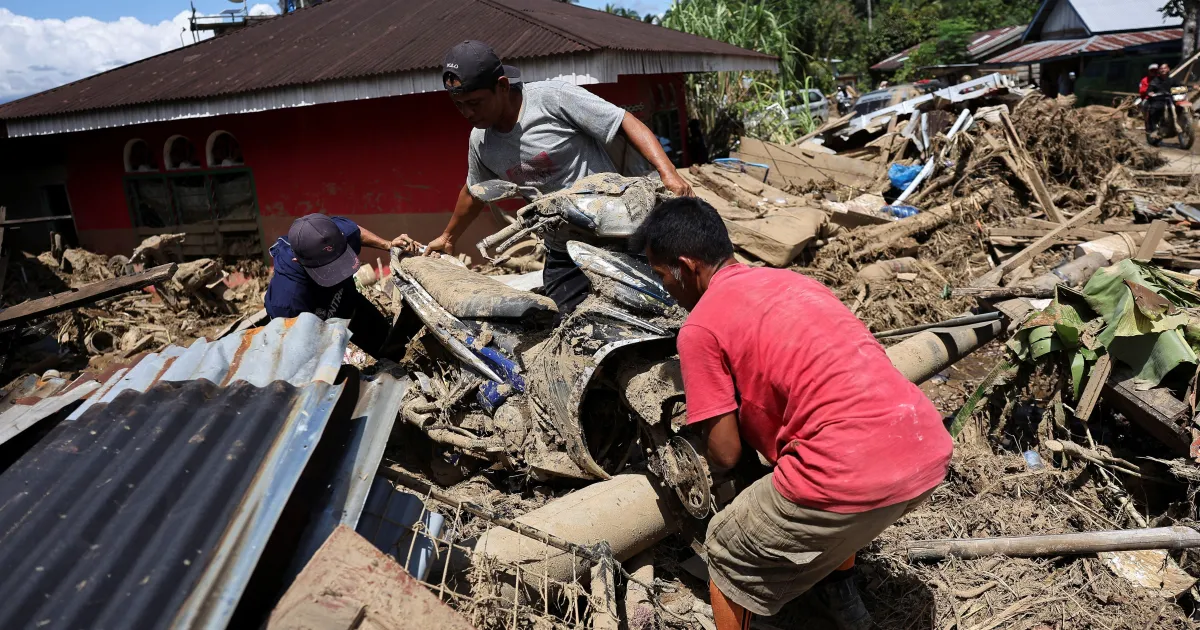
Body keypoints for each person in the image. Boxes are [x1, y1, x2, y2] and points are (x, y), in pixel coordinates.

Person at [632, 197, 953, 630]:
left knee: (726, 548)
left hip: (848, 473)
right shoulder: (795, 283)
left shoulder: (700, 328)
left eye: (662, 277)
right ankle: (839, 601)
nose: (667, 292)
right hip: (924, 447)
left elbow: (725, 454)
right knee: (829, 485)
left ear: (686, 267)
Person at [425, 40, 692, 314]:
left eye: (475, 103)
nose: (468, 113)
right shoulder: (480, 141)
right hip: (563, 248)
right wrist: (448, 237)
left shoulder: (553, 99)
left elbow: (623, 121)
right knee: (572, 326)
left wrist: (668, 172)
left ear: (502, 86)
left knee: (661, 311)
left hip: (618, 233)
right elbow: (474, 191)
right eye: (459, 106)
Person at [265, 214, 412, 358]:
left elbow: (355, 232)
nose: (338, 275)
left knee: (392, 350)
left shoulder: (333, 234)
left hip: (350, 304)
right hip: (315, 328)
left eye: (339, 262)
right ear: (297, 260)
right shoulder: (287, 302)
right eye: (327, 269)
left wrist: (388, 245)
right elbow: (301, 355)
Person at [1147, 63, 1181, 137]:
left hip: (1171, 99)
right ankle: (1154, 129)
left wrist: (1191, 87)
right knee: (1154, 109)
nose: (1163, 70)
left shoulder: (1172, 80)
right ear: (1159, 70)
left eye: (1165, 68)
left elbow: (1180, 86)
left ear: (1168, 69)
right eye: (1161, 68)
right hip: (1159, 100)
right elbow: (1149, 89)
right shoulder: (1155, 81)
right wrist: (1150, 93)